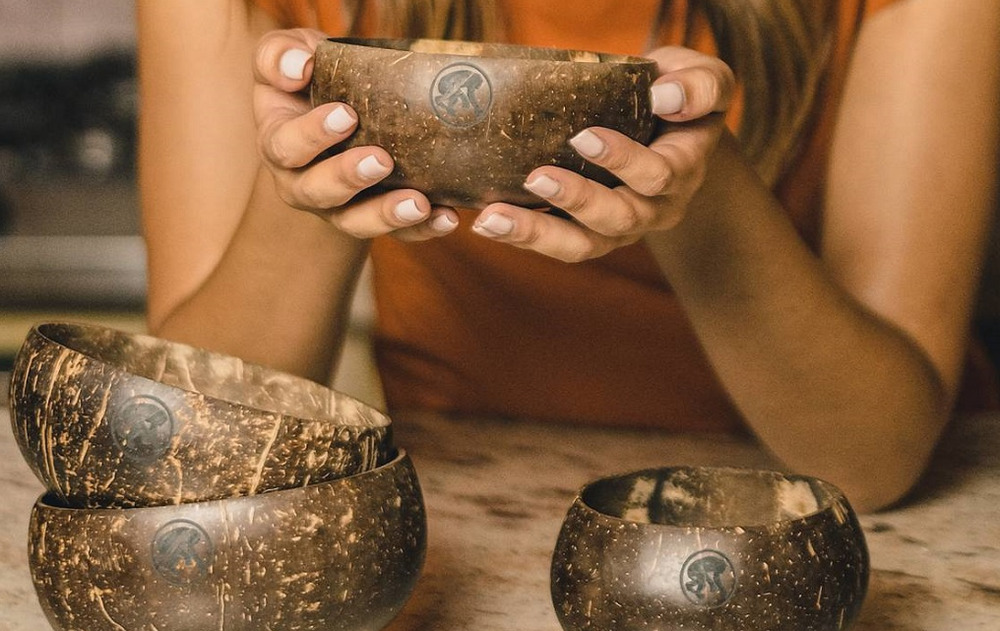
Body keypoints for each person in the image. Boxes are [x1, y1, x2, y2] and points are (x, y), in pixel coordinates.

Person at [135, 0, 1000, 512]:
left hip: (798, 519)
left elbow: (873, 460)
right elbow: (193, 447)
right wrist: (319, 171)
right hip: (466, 508)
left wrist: (691, 185)